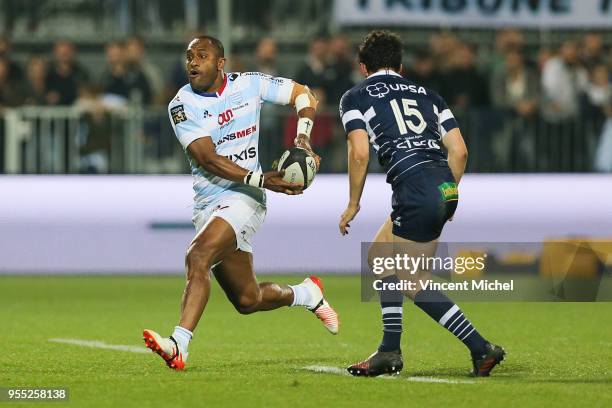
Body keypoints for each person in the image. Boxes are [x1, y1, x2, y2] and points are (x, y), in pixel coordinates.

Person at [143, 36, 339, 370]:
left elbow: (305, 94)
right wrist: (264, 178)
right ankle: (307, 294)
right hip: (211, 202)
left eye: (201, 56)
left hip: (245, 198)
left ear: (221, 63)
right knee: (248, 300)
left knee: (198, 255)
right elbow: (207, 158)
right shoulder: (181, 104)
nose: (192, 62)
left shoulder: (249, 84)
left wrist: (302, 137)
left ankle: (179, 345)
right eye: (189, 56)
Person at [337, 30, 504, 377]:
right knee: (381, 256)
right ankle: (389, 350)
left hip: (414, 187)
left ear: (363, 67)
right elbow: (459, 150)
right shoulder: (429, 94)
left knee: (410, 277)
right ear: (400, 65)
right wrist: (448, 193)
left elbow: (359, 151)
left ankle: (479, 346)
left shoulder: (354, 96)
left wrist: (353, 203)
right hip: (441, 184)